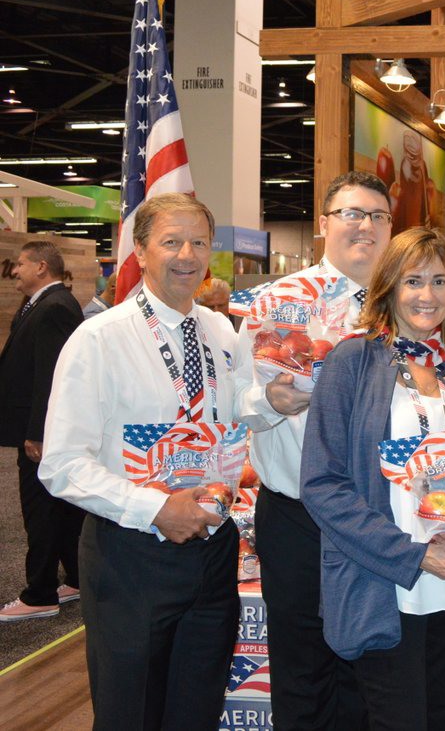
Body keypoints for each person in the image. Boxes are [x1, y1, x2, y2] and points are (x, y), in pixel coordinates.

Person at [40, 194, 242, 729]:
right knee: (131, 714)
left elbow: (240, 419)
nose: (187, 255)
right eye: (171, 241)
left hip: (213, 554)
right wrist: (154, 508)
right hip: (131, 556)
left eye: (199, 242)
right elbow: (61, 463)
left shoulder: (222, 331)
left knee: (197, 711)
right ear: (141, 250)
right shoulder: (99, 338)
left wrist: (279, 401)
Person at [301, 227, 445, 730]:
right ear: (388, 287)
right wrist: (413, 555)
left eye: (439, 281)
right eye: (413, 281)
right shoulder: (351, 361)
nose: (427, 294)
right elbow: (322, 483)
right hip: (384, 582)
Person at [234, 170, 392, 730]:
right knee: (302, 671)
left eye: (377, 216)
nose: (365, 226)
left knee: (371, 670)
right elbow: (236, 402)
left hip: (377, 517)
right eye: (352, 213)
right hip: (297, 516)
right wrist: (271, 400)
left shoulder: (409, 301)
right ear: (324, 224)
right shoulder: (279, 301)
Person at [0, 241, 85, 622]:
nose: (14, 270)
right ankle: (77, 578)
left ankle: (39, 594)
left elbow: (52, 376)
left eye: (21, 264)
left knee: (41, 512)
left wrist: (39, 431)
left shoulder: (54, 308)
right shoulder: (43, 304)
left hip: (41, 434)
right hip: (37, 430)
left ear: (41, 267)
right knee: (58, 508)